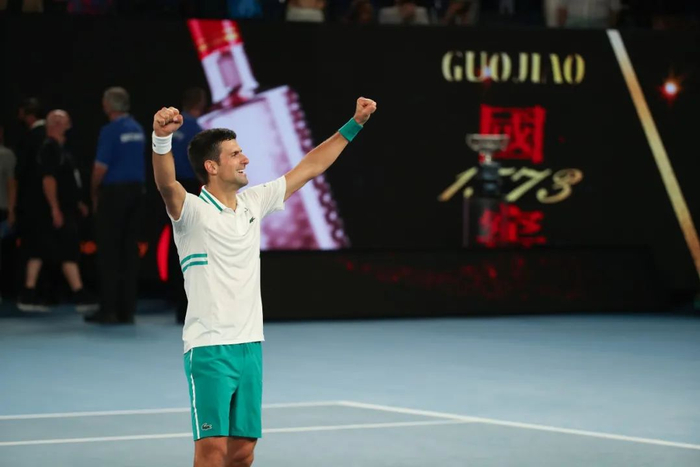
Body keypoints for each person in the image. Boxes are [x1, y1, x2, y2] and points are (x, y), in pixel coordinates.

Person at [151, 96, 377, 466]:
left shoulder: (253, 202)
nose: (245, 159)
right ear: (211, 166)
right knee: (211, 451)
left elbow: (311, 166)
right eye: (235, 154)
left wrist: (355, 124)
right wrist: (161, 139)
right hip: (209, 349)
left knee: (243, 452)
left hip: (250, 346)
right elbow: (166, 183)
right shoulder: (190, 211)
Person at [86, 87, 145, 324]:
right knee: (129, 251)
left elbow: (101, 167)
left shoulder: (110, 130)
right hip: (136, 193)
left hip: (114, 194)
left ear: (109, 105)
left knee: (109, 251)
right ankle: (127, 310)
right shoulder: (138, 129)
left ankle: (109, 309)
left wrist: (93, 191)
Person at [34, 110, 96, 311]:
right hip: (58, 209)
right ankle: (78, 293)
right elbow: (49, 179)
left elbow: (68, 180)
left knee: (61, 249)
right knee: (65, 249)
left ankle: (51, 293)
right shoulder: (49, 148)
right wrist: (55, 208)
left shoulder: (63, 149)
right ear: (54, 124)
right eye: (63, 121)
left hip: (68, 207)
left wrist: (77, 202)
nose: (68, 125)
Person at [170, 87, 206, 323]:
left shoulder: (172, 126)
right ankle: (190, 306)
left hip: (170, 188)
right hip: (191, 188)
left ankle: (178, 304)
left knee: (176, 243)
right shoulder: (196, 129)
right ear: (201, 103)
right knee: (193, 243)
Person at [15, 98, 49, 311]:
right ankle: (32, 293)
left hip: (34, 204)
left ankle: (30, 293)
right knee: (39, 247)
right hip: (43, 203)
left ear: (28, 115)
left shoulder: (32, 138)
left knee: (36, 246)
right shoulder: (44, 137)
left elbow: (21, 173)